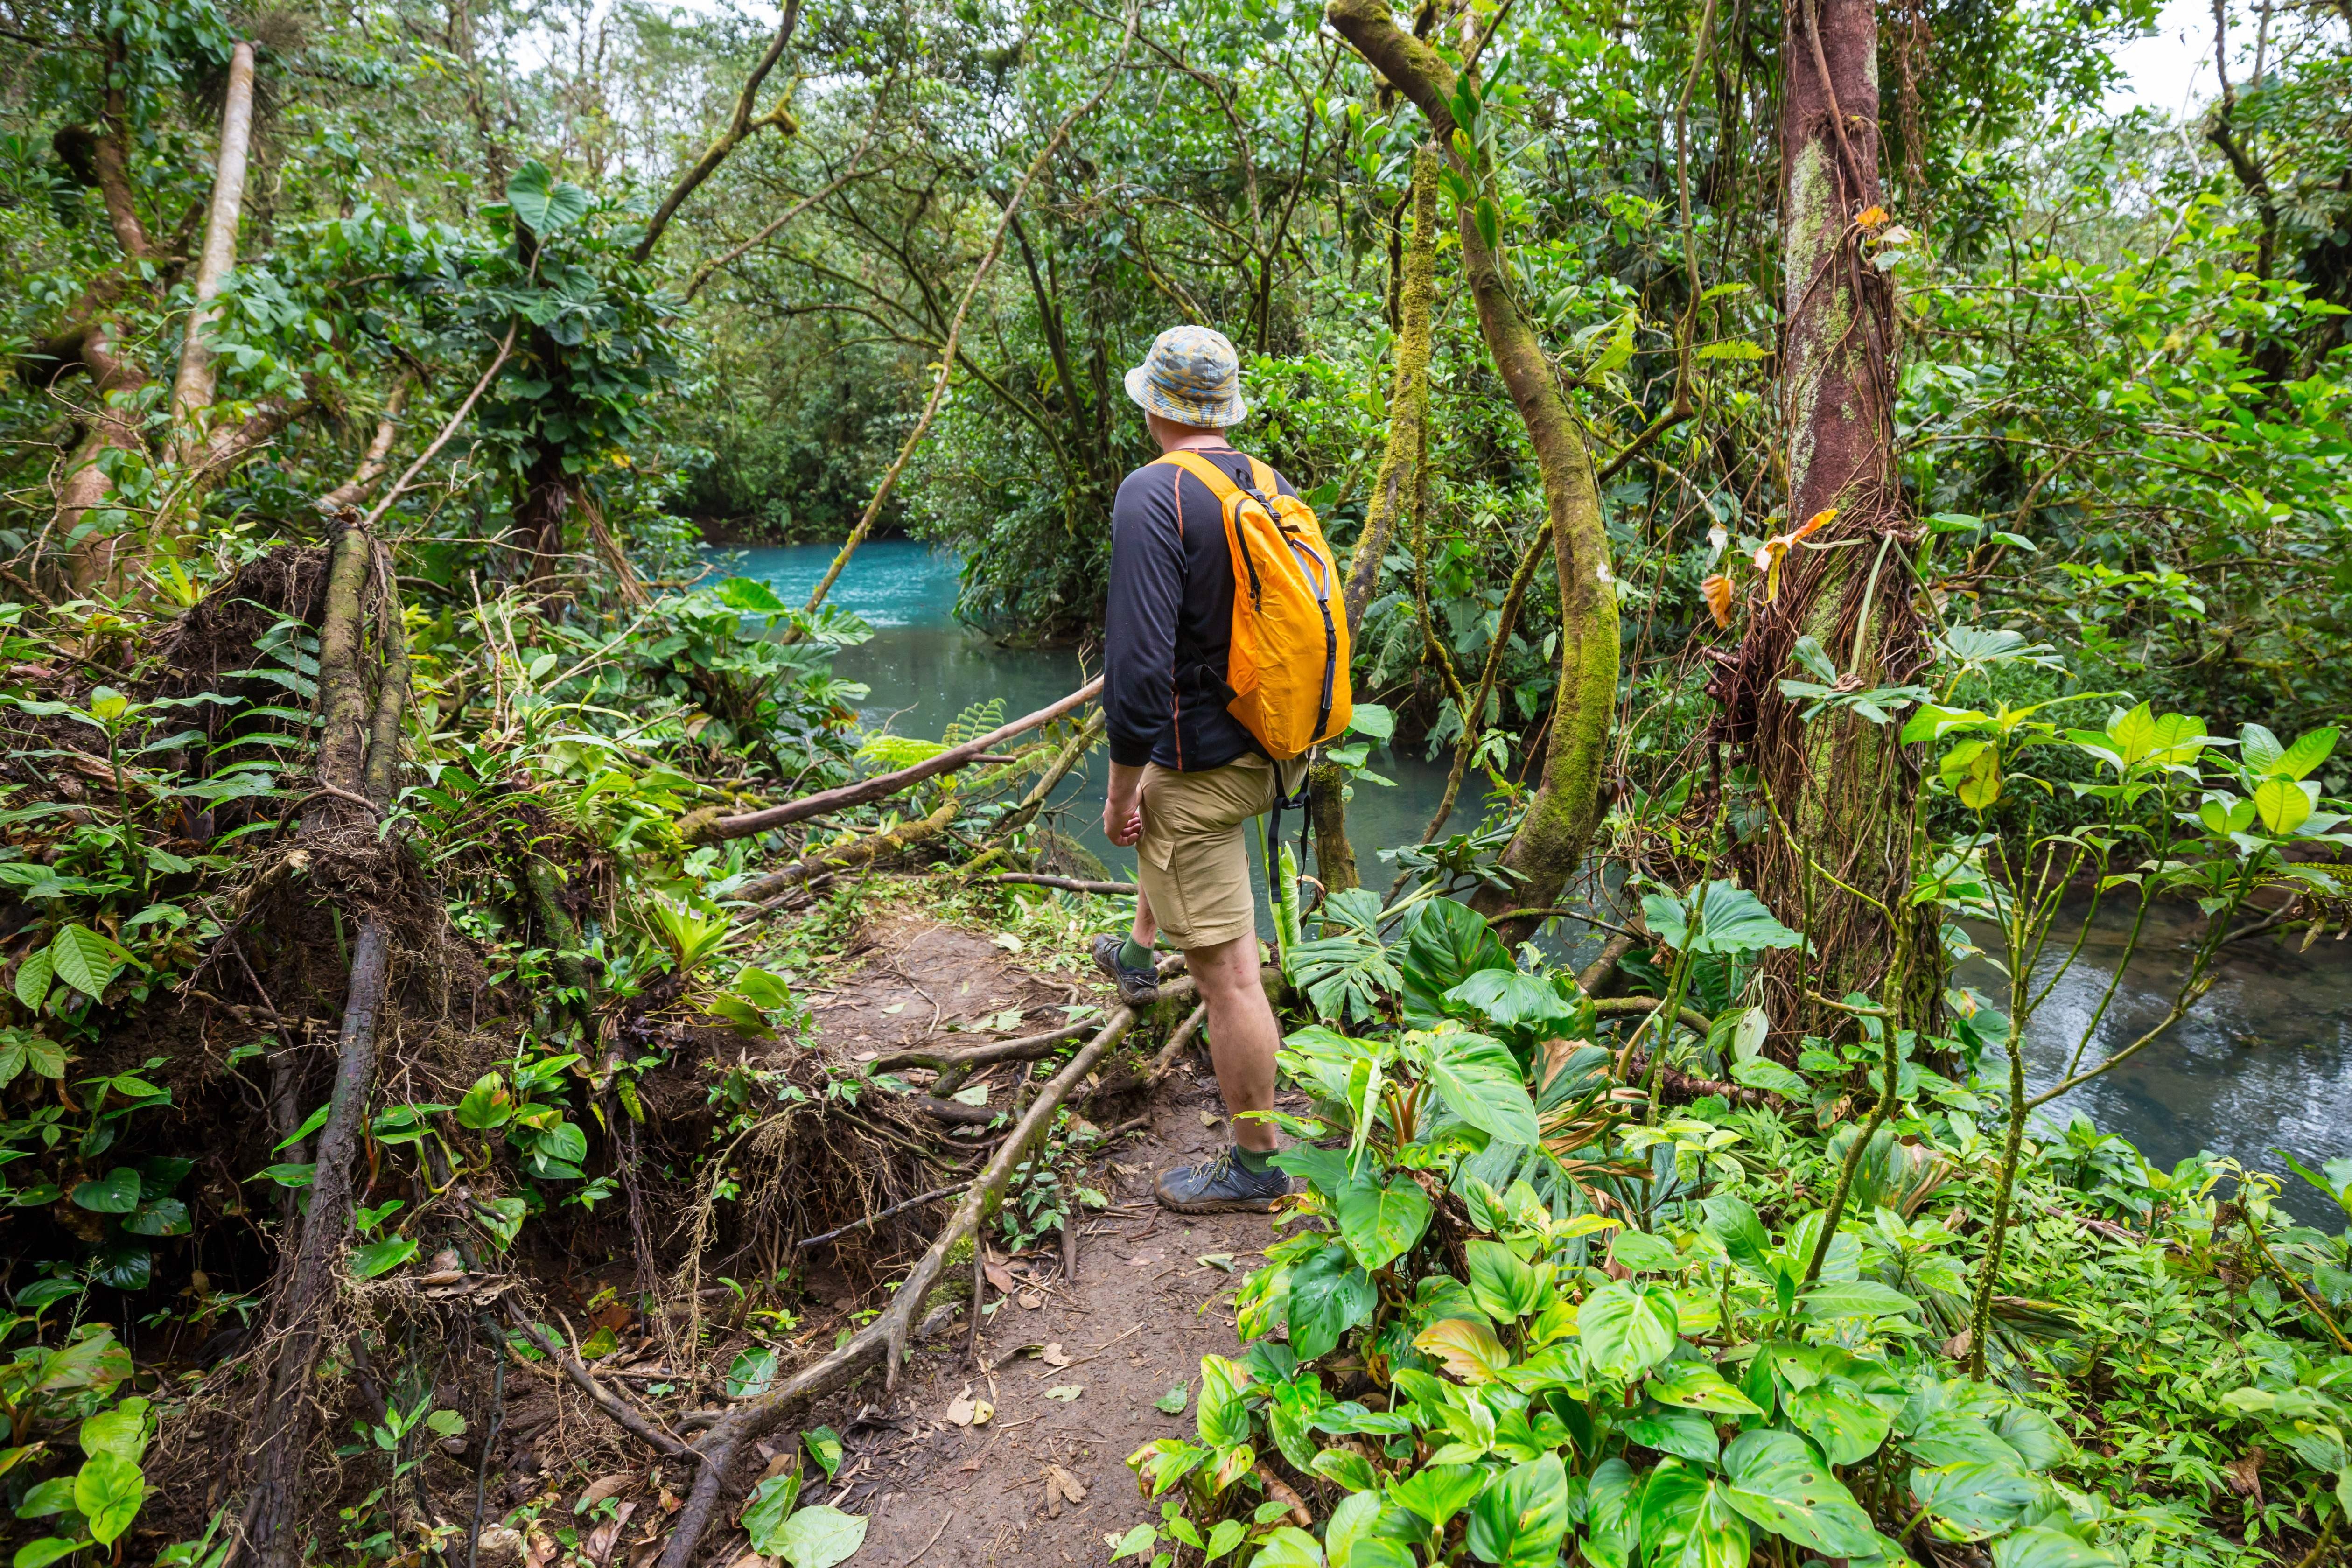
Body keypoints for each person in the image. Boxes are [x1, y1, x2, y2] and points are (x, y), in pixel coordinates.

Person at [1092, 324, 1301, 1214]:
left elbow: (1138, 677)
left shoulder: (1153, 493)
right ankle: (1138, 958)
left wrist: (1118, 789)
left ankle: (1257, 1166)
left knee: (1231, 977)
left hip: (1202, 773)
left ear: (1154, 406)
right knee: (1173, 827)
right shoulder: (1266, 483)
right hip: (1276, 750)